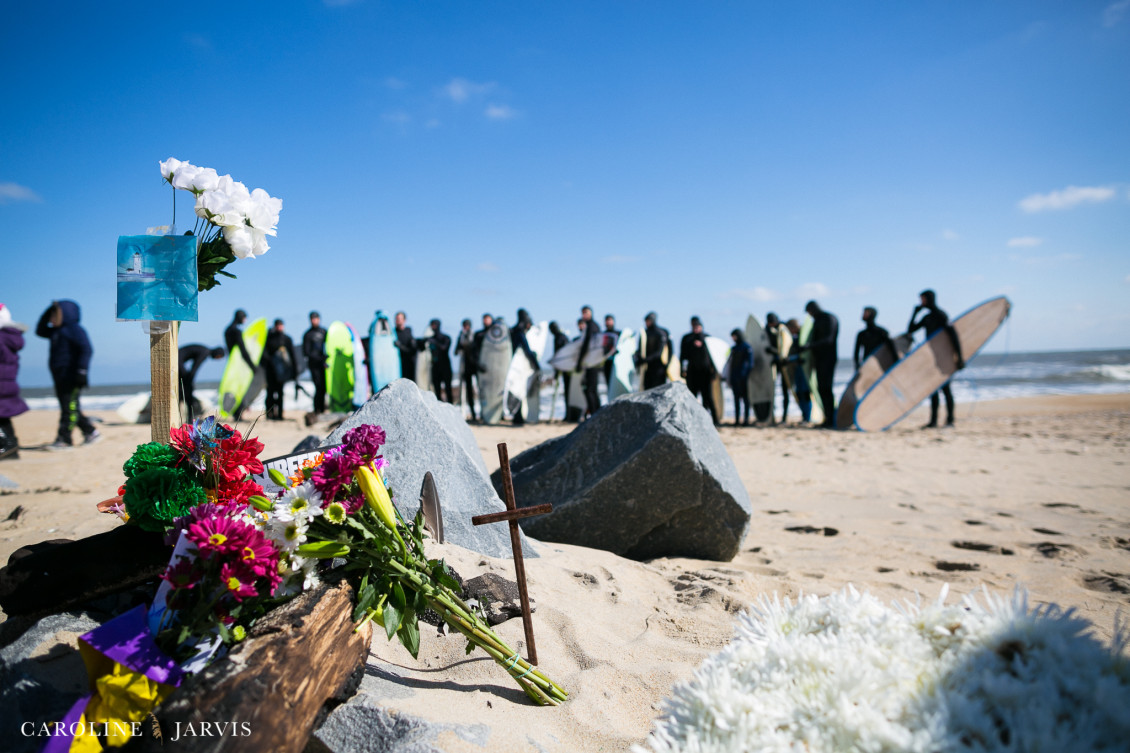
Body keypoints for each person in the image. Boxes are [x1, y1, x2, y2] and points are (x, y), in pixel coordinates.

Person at [36, 300, 99, 449]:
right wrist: (48, 311)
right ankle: (91, 432)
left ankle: (64, 440)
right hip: (60, 376)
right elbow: (40, 330)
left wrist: (82, 371)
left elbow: (86, 349)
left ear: (64, 315)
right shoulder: (55, 331)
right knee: (70, 407)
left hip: (72, 376)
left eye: (54, 315)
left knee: (69, 408)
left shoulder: (74, 329)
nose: (51, 319)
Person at [908, 289, 964, 428]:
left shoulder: (941, 315)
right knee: (932, 389)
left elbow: (953, 336)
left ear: (929, 299)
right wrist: (915, 313)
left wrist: (959, 357)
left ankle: (950, 420)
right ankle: (933, 421)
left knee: (946, 389)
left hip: (943, 356)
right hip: (931, 358)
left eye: (922, 299)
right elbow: (910, 330)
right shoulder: (927, 317)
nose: (921, 302)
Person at [800, 300, 839, 429]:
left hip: (828, 358)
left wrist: (808, 346)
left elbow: (829, 340)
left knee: (826, 388)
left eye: (809, 311)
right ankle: (827, 417)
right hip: (818, 359)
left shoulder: (829, 318)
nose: (809, 314)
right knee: (821, 388)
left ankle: (832, 419)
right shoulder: (817, 321)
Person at [0, 304, 29, 460]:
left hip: (2, 381)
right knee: (3, 416)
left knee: (2, 416)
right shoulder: (9, 337)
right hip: (7, 381)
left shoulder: (1, 337)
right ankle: (10, 446)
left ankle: (7, 446)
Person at [680, 316, 718, 425]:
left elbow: (714, 357)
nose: (695, 328)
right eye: (693, 326)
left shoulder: (707, 338)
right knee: (691, 397)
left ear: (701, 326)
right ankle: (691, 420)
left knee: (708, 397)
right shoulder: (687, 338)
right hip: (692, 372)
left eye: (697, 326)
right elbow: (682, 356)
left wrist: (714, 372)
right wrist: (682, 370)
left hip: (705, 372)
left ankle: (715, 420)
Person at [178, 344, 224, 421]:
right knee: (187, 389)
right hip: (177, 360)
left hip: (178, 359)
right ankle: (190, 418)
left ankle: (189, 416)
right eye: (219, 357)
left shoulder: (204, 350)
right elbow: (195, 367)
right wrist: (190, 382)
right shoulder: (205, 352)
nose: (218, 359)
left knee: (185, 389)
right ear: (218, 353)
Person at [509, 309, 540, 425]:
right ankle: (518, 417)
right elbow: (526, 349)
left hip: (511, 365)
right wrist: (536, 363)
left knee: (514, 389)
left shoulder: (512, 331)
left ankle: (515, 415)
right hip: (519, 366)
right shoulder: (520, 332)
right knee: (519, 390)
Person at [263, 319, 297, 420]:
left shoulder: (287, 339)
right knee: (270, 393)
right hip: (270, 370)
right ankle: (269, 414)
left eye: (281, 325)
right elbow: (264, 354)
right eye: (277, 325)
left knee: (280, 393)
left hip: (282, 372)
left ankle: (280, 414)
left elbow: (292, 355)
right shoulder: (269, 338)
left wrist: (295, 371)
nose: (279, 327)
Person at [575, 306, 602, 418]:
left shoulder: (592, 326)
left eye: (586, 313)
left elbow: (587, 345)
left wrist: (579, 362)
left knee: (590, 389)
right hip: (592, 362)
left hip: (592, 362)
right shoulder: (593, 326)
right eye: (583, 313)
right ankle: (597, 413)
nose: (584, 315)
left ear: (591, 313)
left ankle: (595, 414)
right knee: (592, 389)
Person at [783, 318, 812, 423]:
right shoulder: (795, 339)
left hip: (804, 369)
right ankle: (804, 416)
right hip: (797, 369)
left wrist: (791, 359)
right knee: (799, 393)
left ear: (793, 327)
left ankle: (808, 417)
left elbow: (804, 354)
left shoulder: (803, 337)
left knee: (805, 393)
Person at [635, 311, 670, 390]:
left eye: (648, 321)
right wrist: (638, 356)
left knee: (658, 390)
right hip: (647, 368)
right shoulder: (645, 333)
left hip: (659, 367)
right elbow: (641, 348)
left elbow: (659, 352)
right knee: (647, 389)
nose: (646, 323)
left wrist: (645, 360)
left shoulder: (661, 333)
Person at [421, 318, 454, 403]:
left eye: (434, 325)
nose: (433, 327)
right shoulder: (429, 339)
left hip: (445, 367)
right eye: (431, 325)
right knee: (437, 391)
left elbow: (444, 348)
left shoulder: (446, 338)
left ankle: (451, 407)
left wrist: (434, 342)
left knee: (448, 389)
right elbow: (420, 348)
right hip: (435, 367)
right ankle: (439, 408)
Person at [303, 311, 328, 414]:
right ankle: (317, 410)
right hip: (314, 365)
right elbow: (306, 352)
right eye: (312, 319)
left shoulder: (324, 332)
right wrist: (319, 358)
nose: (314, 320)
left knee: (324, 387)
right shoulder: (307, 335)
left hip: (324, 364)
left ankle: (323, 409)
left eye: (316, 318)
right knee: (318, 387)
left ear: (319, 319)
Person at [728, 328, 753, 426]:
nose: (733, 338)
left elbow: (750, 363)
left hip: (743, 377)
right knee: (736, 399)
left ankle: (746, 419)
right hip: (735, 377)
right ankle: (737, 420)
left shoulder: (746, 347)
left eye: (734, 336)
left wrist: (745, 374)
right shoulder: (734, 348)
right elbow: (730, 364)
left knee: (746, 399)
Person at [454, 318, 478, 420]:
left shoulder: (474, 335)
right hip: (465, 366)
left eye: (467, 325)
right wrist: (460, 343)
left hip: (475, 366)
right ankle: (472, 413)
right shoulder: (461, 336)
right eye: (464, 325)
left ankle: (480, 413)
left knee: (478, 389)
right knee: (468, 390)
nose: (465, 327)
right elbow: (455, 352)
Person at [547, 320, 570, 421]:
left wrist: (557, 369)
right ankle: (567, 414)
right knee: (566, 391)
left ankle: (568, 414)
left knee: (568, 391)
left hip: (565, 367)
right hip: (563, 366)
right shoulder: (559, 337)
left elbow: (560, 353)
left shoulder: (560, 337)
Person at [394, 311, 417, 384]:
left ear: (404, 320)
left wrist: (400, 346)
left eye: (399, 319)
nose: (397, 321)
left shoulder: (408, 331)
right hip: (398, 363)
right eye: (396, 319)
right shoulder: (393, 332)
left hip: (409, 362)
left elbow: (412, 350)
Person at [601, 314, 620, 391]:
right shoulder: (602, 334)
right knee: (609, 384)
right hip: (606, 362)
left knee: (617, 384)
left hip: (617, 363)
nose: (608, 322)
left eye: (610, 320)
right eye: (607, 321)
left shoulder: (619, 333)